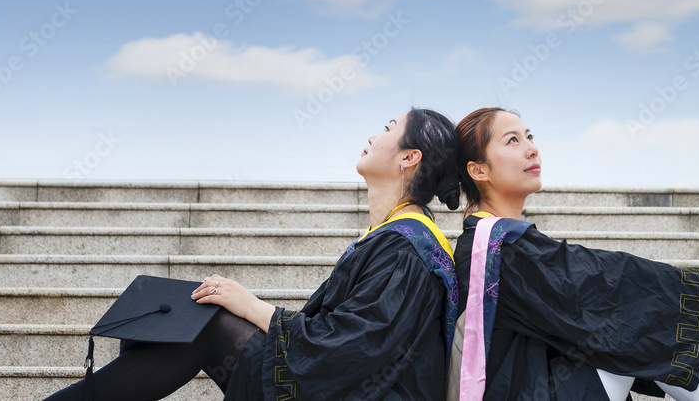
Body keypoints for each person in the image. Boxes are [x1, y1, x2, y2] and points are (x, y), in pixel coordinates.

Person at [43, 107, 462, 401]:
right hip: (346, 383)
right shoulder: (392, 234)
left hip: (367, 392)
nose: (372, 136)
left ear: (410, 157)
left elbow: (353, 347)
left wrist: (255, 308)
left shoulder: (406, 246)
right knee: (183, 313)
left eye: (387, 128)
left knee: (208, 321)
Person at [451, 107, 699, 401]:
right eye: (513, 140)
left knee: (630, 324)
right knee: (632, 314)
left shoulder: (491, 238)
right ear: (479, 170)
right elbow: (599, 281)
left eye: (529, 136)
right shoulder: (492, 245)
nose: (532, 149)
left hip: (538, 381)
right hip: (526, 391)